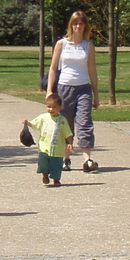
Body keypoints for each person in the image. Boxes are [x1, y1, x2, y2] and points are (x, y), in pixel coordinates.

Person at [47, 10, 100, 173]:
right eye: (75, 23)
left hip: (83, 88)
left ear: (85, 26)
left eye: (81, 23)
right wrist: (49, 90)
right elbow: (53, 68)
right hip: (64, 88)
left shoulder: (88, 46)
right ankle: (66, 159)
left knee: (85, 123)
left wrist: (96, 95)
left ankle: (87, 160)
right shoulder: (62, 44)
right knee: (65, 123)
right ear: (71, 25)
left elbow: (92, 70)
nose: (78, 26)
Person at [28, 93, 70, 187]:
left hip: (57, 148)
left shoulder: (62, 120)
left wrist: (69, 142)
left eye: (54, 107)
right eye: (49, 107)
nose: (51, 109)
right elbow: (35, 124)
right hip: (44, 146)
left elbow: (67, 132)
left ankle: (56, 179)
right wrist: (27, 123)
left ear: (60, 107)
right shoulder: (43, 117)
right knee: (43, 162)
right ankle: (45, 175)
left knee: (56, 164)